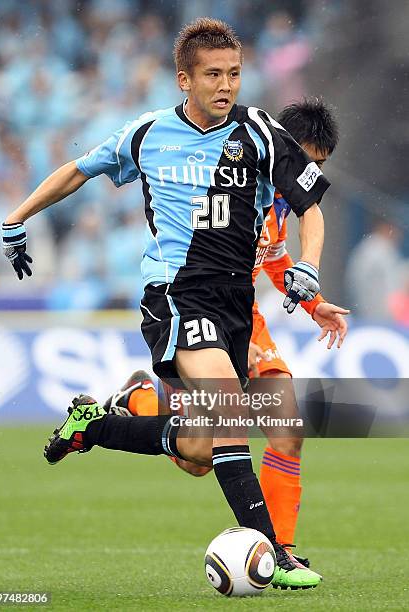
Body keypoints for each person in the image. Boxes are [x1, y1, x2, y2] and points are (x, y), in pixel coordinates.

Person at [2, 18, 329, 589]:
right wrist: (17, 216)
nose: (226, 86)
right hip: (175, 295)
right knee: (231, 411)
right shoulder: (147, 133)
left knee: (200, 449)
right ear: (185, 79)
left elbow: (312, 208)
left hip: (234, 302)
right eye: (213, 75)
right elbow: (79, 171)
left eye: (234, 74)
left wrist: (309, 268)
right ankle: (275, 553)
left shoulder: (259, 132)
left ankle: (94, 428)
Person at [103, 98, 348, 563]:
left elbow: (273, 256)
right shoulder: (229, 188)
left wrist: (313, 303)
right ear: (283, 148)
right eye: (308, 162)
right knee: (197, 457)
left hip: (245, 317)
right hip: (206, 313)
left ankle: (283, 550)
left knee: (285, 427)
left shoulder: (276, 205)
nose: (310, 177)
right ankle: (138, 400)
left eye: (319, 167)